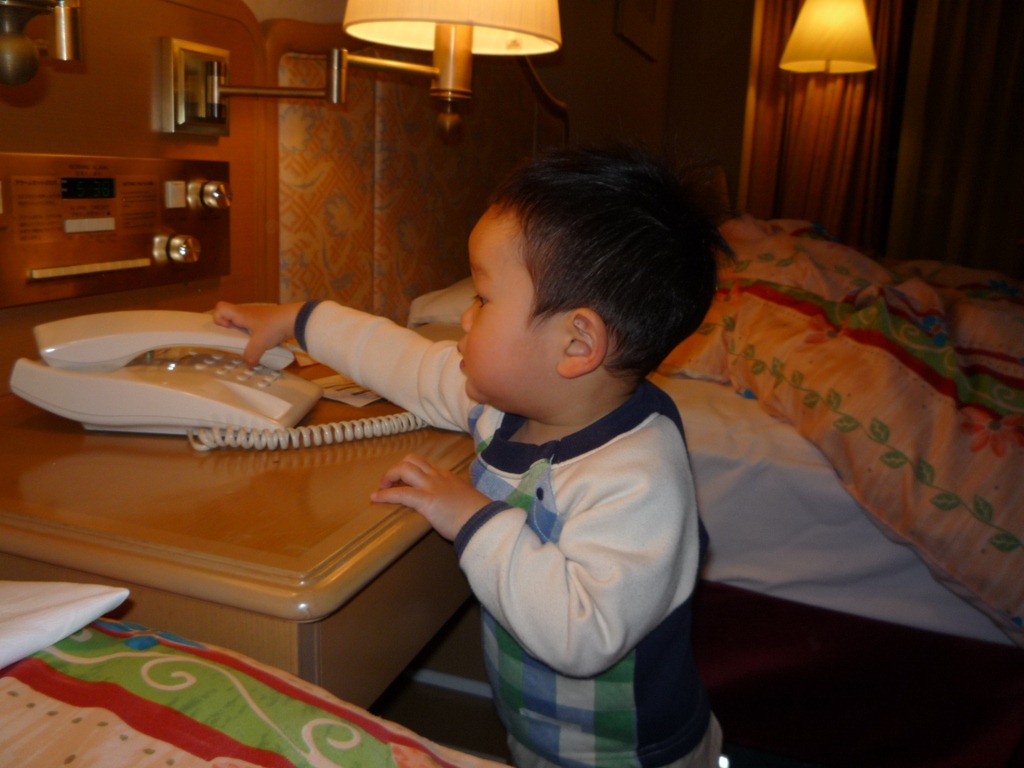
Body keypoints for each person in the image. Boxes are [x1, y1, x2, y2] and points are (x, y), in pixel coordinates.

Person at [213, 144, 726, 768]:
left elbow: (581, 633)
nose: (464, 316)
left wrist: (473, 517)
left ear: (577, 343)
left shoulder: (638, 476)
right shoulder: (512, 402)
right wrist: (299, 320)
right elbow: (404, 362)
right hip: (538, 734)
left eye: (483, 298)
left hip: (630, 755)